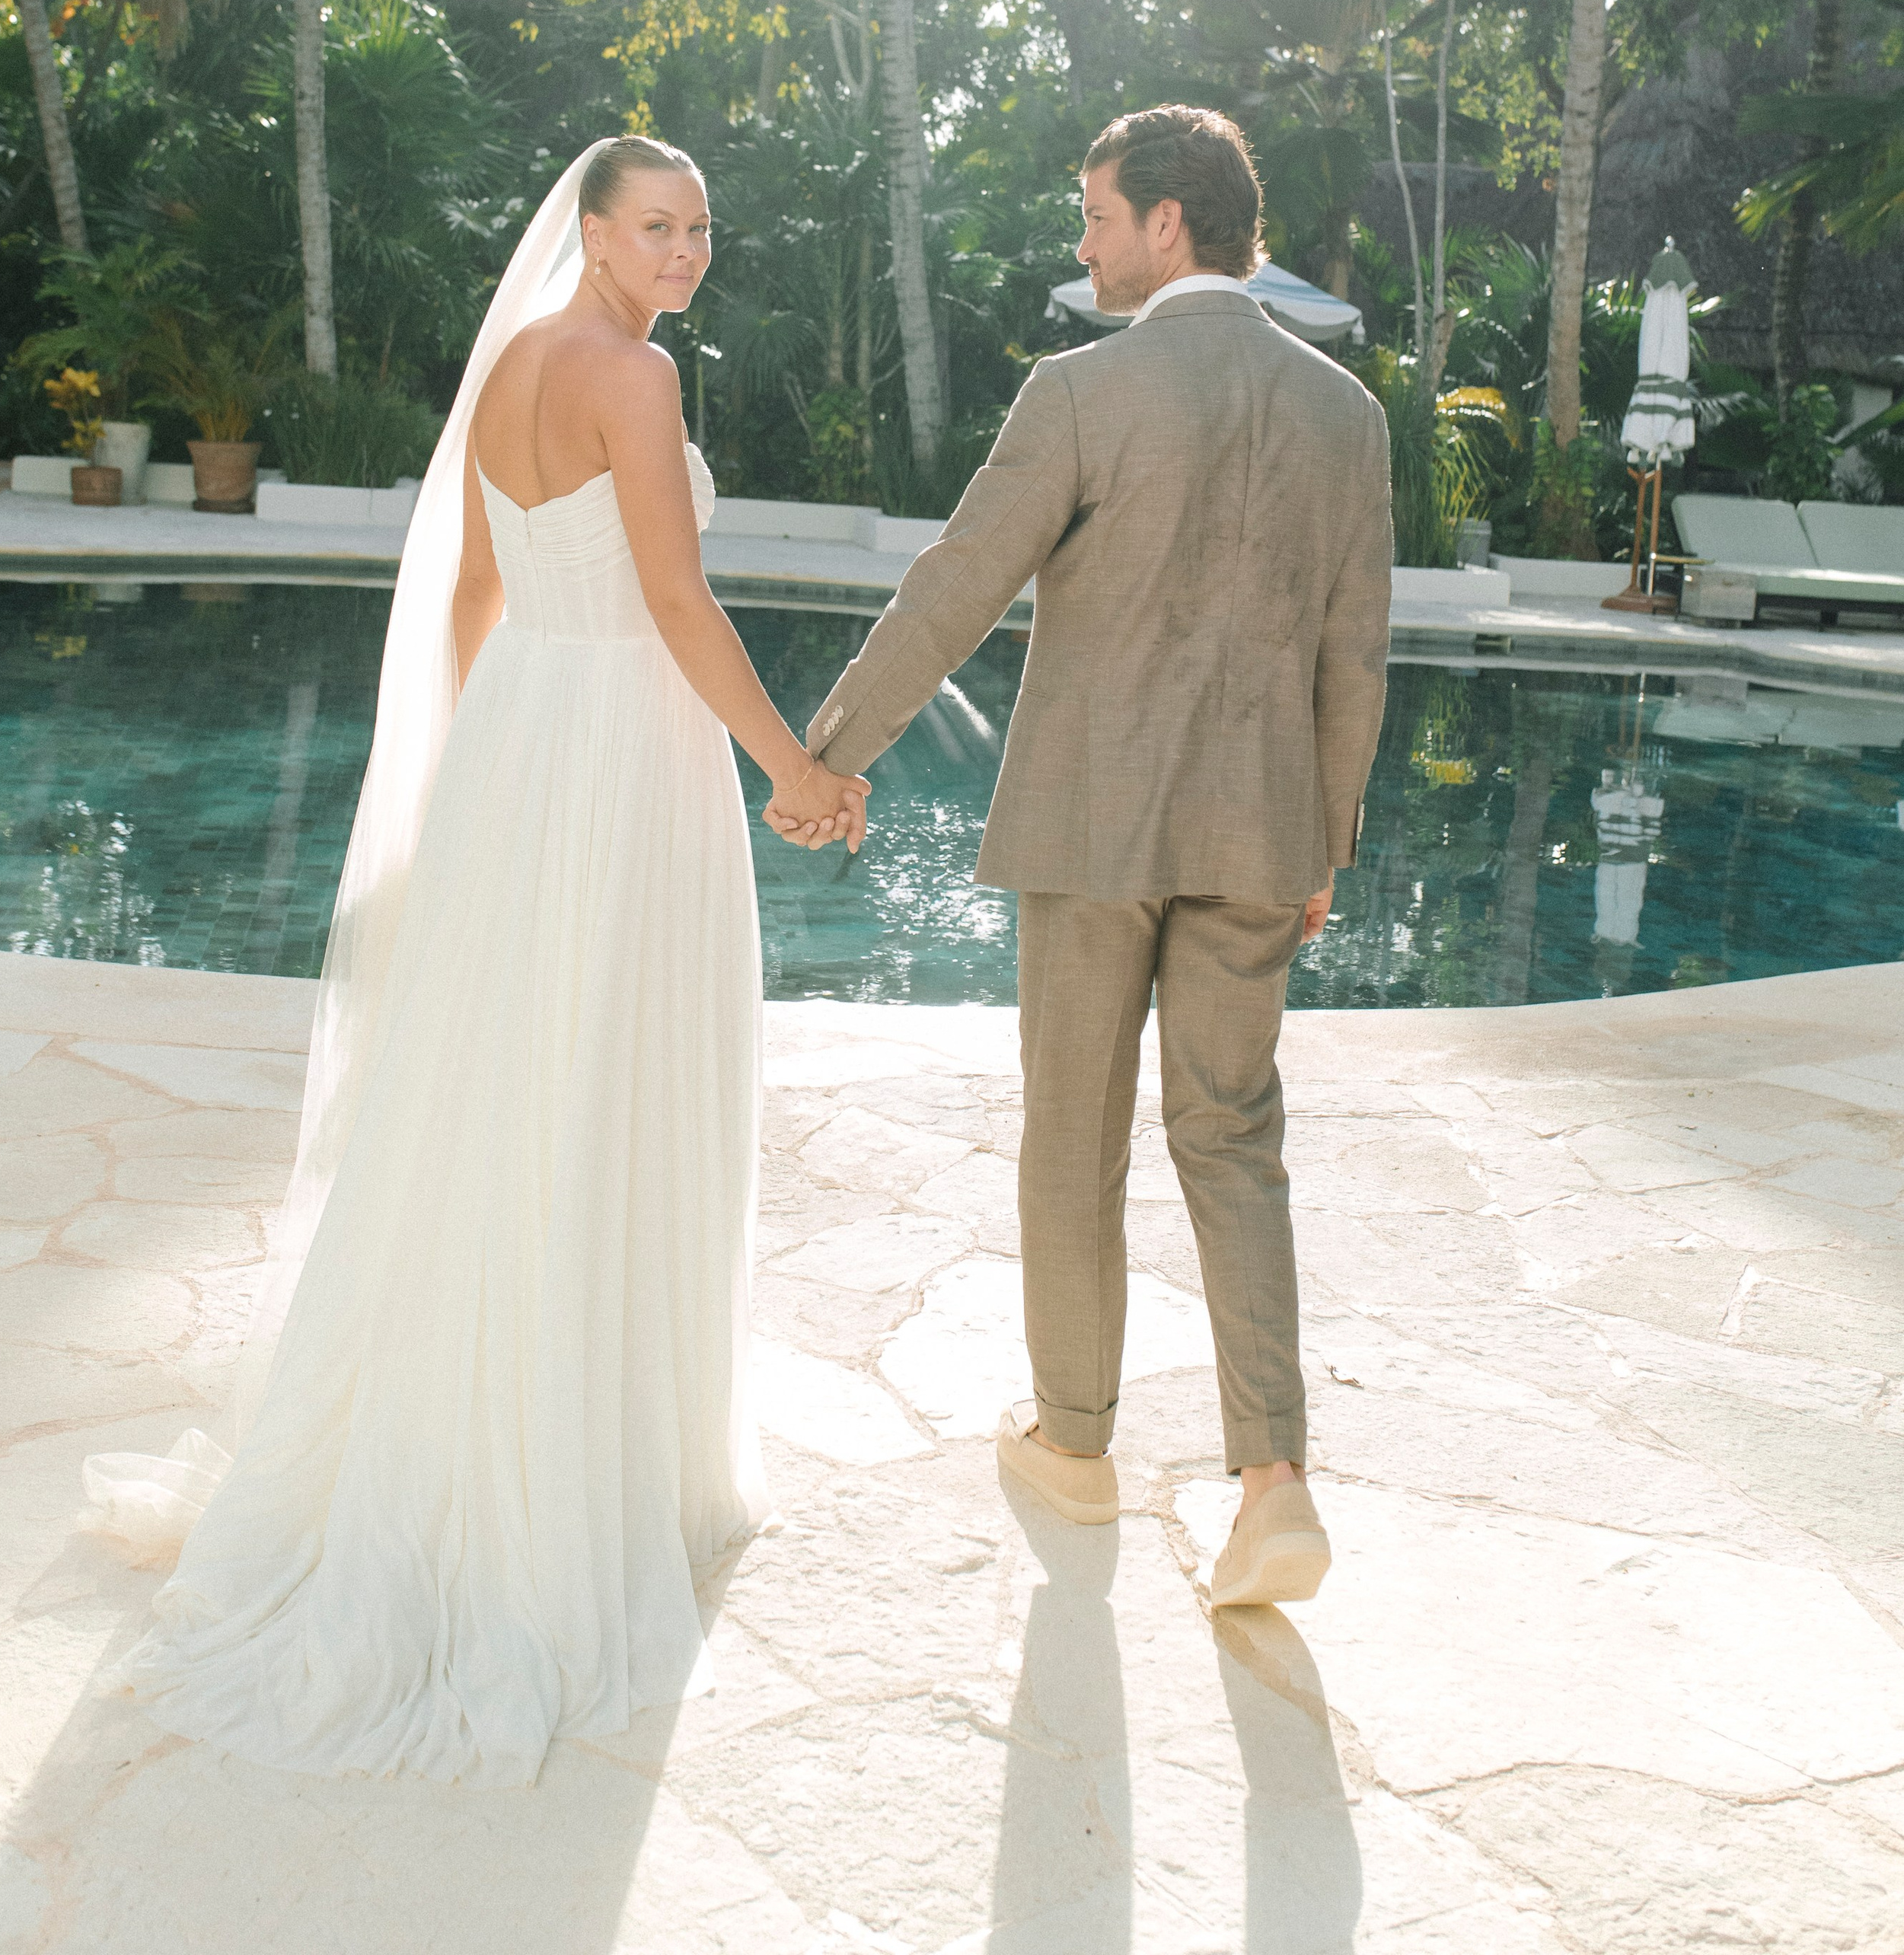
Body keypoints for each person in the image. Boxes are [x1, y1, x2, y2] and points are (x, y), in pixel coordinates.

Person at [84, 136, 866, 1786]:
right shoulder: (632, 386)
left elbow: (473, 585)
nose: (683, 252)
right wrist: (790, 767)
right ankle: (574, 1475)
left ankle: (480, 1422)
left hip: (526, 738)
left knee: (504, 1082)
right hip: (616, 744)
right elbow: (672, 598)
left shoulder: (516, 359)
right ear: (588, 230)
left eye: (700, 230)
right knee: (599, 1078)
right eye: (656, 226)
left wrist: (454, 769)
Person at [781, 105, 1390, 1609]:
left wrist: (828, 755)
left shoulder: (1080, 395)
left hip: (1090, 827)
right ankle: (1273, 1483)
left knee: (1073, 1137)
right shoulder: (1344, 419)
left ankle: (1073, 1444)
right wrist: (1326, 834)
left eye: (1097, 214)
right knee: (1230, 1135)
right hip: (1262, 831)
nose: (1083, 241)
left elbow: (955, 587)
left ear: (1168, 223)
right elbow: (1354, 660)